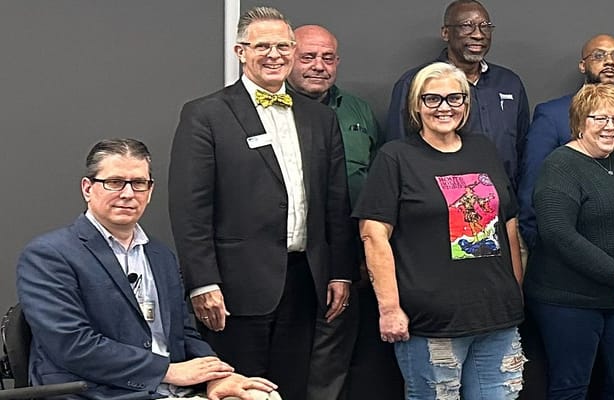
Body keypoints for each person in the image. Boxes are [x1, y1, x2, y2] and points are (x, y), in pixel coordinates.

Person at [169, 7, 353, 396]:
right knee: (239, 390)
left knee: (291, 388)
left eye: (283, 46)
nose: (274, 55)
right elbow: (191, 209)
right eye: (262, 46)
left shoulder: (319, 118)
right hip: (235, 288)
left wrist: (339, 271)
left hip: (305, 280)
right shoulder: (206, 114)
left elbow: (336, 202)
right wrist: (203, 282)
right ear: (240, 51)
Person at [19, 138, 281, 400]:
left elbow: (183, 333)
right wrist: (167, 371)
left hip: (172, 388)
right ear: (87, 188)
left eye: (139, 183)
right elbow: (72, 344)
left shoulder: (160, 255)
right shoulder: (49, 255)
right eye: (114, 182)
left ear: (150, 190)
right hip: (100, 392)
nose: (128, 194)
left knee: (264, 396)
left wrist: (216, 376)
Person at [359, 62, 527, 400]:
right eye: (432, 99)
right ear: (416, 105)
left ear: (466, 104)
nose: (444, 107)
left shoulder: (484, 150)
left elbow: (508, 225)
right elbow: (374, 236)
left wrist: (515, 290)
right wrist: (390, 309)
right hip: (432, 322)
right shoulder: (396, 157)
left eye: (454, 98)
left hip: (497, 317)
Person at [524, 84, 614, 400]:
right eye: (600, 118)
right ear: (579, 122)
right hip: (570, 300)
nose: (610, 126)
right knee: (571, 388)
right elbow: (558, 234)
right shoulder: (560, 165)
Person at [291, 23, 401, 400]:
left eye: (327, 58)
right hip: (285, 259)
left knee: (338, 354)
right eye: (307, 57)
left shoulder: (357, 110)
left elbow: (378, 182)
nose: (318, 66)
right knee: (288, 357)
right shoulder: (269, 111)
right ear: (288, 58)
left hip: (349, 252)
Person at [520, 33, 614, 255]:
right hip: (572, 254)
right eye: (599, 55)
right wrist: (541, 247)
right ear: (582, 65)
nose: (609, 61)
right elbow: (533, 185)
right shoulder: (552, 114)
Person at [383, 0, 530, 179]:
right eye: (467, 26)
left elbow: (522, 148)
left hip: (504, 198)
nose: (478, 34)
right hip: (438, 198)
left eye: (485, 26)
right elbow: (397, 151)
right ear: (446, 33)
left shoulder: (509, 83)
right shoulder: (415, 83)